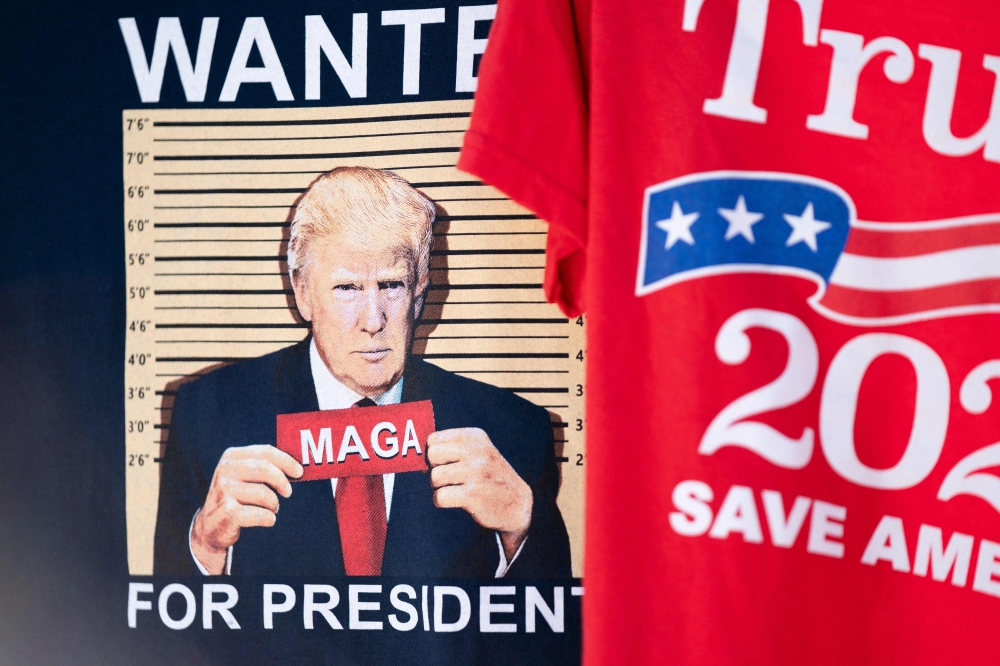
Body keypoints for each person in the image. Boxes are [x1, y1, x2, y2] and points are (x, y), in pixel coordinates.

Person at [153, 166, 571, 577]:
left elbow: (562, 626)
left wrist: (522, 525)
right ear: (302, 292)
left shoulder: (515, 430)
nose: (374, 320)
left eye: (392, 285)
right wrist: (205, 544)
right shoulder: (206, 415)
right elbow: (147, 627)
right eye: (347, 288)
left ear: (420, 292)